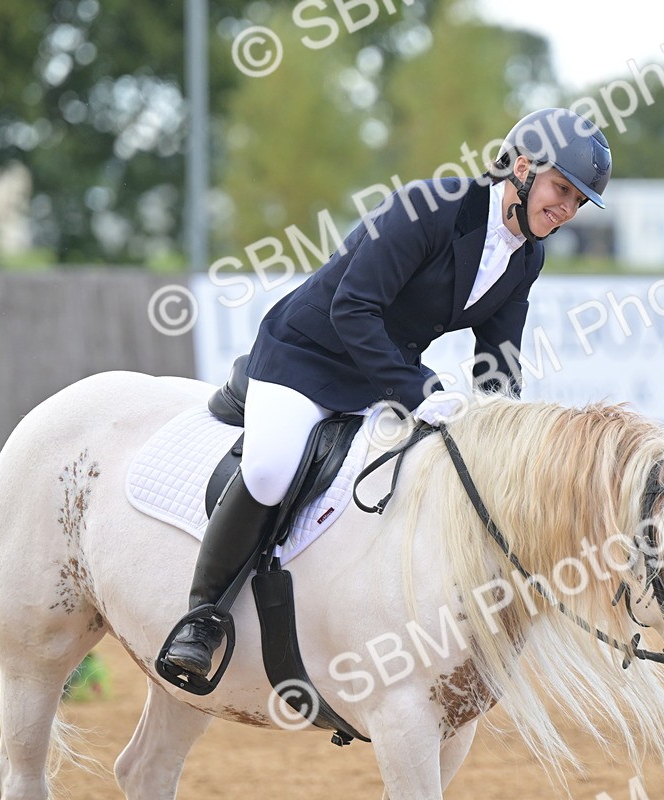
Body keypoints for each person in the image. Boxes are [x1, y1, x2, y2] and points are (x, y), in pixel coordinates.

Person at [161, 108, 613, 678]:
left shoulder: (528, 254)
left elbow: (498, 361)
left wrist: (507, 434)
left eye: (577, 202)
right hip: (306, 357)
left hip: (379, 373)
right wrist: (418, 389)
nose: (566, 209)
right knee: (271, 471)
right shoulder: (429, 208)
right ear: (522, 168)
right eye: (561, 189)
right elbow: (352, 307)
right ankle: (202, 617)